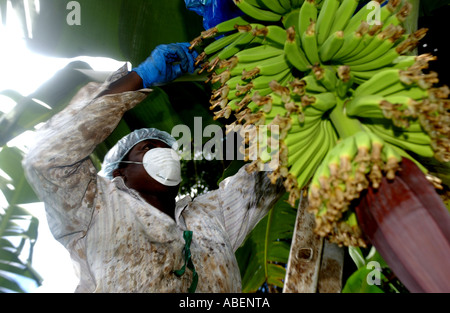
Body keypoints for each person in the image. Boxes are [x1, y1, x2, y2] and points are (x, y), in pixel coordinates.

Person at [22, 9, 286, 293]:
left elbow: (271, 173)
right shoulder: (94, 209)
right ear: (120, 171)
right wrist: (141, 76)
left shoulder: (210, 217)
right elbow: (46, 159)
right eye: (148, 148)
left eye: (167, 148)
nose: (165, 153)